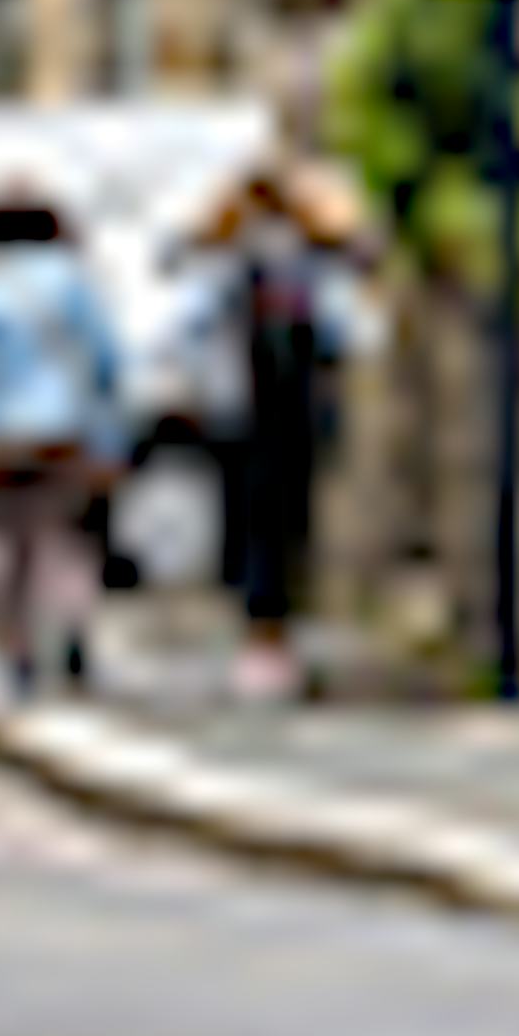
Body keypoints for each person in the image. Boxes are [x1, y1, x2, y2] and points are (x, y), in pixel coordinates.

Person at [0, 188, 124, 694]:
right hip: (68, 432)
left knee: (9, 547)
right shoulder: (76, 282)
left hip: (4, 437)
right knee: (64, 536)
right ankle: (73, 629)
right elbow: (106, 363)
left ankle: (15, 657)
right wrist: (109, 438)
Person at [205, 166, 371, 701]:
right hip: (290, 413)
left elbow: (185, 327)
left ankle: (263, 646)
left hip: (249, 415)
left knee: (255, 531)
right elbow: (357, 332)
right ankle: (274, 645)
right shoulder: (310, 268)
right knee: (285, 532)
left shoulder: (235, 262)